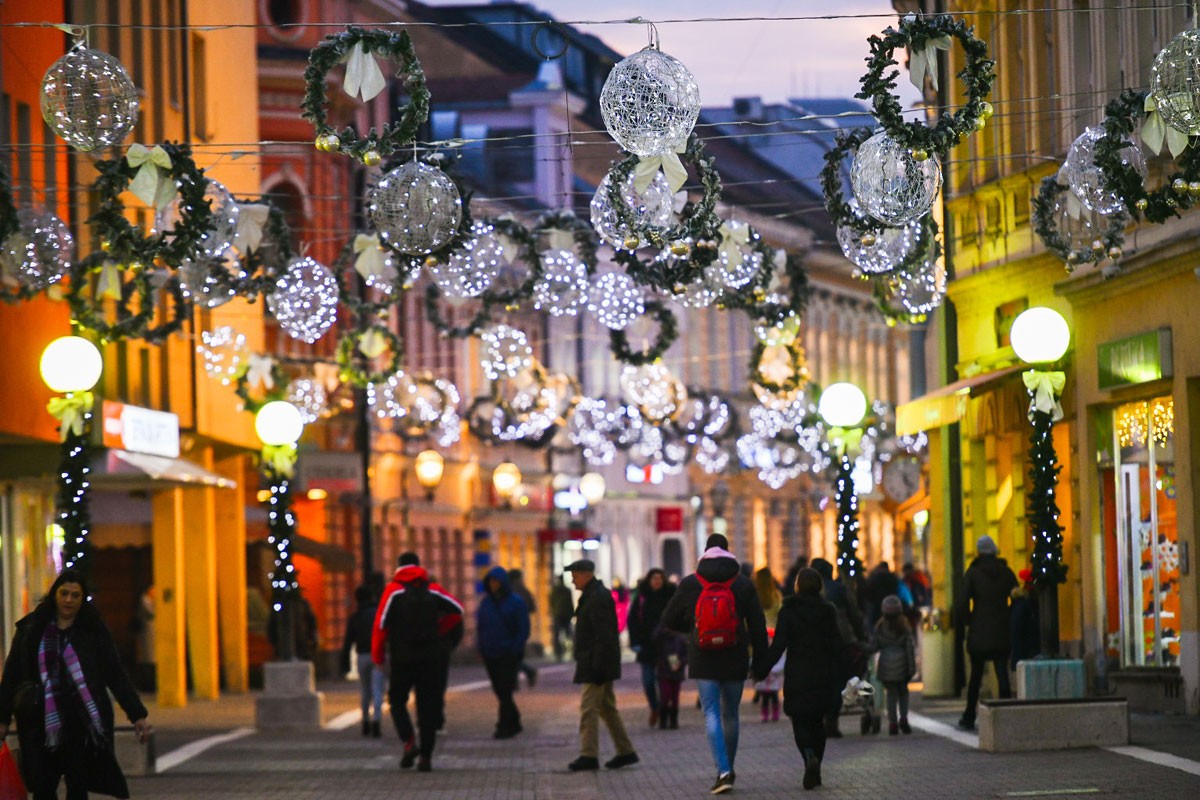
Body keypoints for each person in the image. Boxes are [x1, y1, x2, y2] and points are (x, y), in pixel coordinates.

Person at [0, 568, 152, 800]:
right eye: (64, 593)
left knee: (78, 787)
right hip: (39, 722)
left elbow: (115, 673)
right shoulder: (32, 629)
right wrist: (3, 719)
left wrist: (137, 715)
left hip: (80, 725)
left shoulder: (93, 631)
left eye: (75, 595)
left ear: (83, 599)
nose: (68, 600)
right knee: (42, 788)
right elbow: (12, 675)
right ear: (55, 595)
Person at [660, 533, 768, 795]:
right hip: (735, 655)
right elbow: (757, 625)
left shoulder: (690, 583)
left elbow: (668, 619)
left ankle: (722, 770)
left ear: (705, 552)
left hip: (703, 655)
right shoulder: (742, 583)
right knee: (731, 712)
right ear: (728, 552)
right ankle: (727, 768)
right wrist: (761, 662)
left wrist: (693, 628)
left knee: (710, 712)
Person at [373, 552, 464, 772]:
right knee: (428, 707)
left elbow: (380, 626)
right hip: (430, 658)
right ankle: (426, 757)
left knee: (396, 701)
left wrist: (378, 657)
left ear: (399, 567)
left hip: (403, 659)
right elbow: (458, 610)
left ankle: (409, 742)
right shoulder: (431, 589)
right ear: (419, 566)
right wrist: (439, 629)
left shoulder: (393, 591)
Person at [759, 568, 842, 792]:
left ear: (797, 586)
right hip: (823, 674)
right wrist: (844, 671)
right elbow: (837, 643)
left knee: (800, 722)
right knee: (818, 723)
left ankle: (808, 756)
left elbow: (779, 645)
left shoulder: (789, 611)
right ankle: (818, 769)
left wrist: (761, 668)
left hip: (798, 675)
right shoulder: (828, 611)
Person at [564, 559, 639, 772]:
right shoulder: (593, 595)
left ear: (586, 574)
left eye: (575, 575)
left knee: (589, 709)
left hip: (596, 664)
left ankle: (589, 755)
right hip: (598, 662)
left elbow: (604, 636)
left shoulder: (596, 597)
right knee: (607, 708)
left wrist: (597, 667)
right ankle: (625, 751)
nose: (572, 580)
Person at [957, 535, 1019, 731]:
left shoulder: (973, 573)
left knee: (976, 676)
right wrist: (1008, 616)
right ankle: (1007, 715)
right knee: (1002, 672)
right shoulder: (1006, 572)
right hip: (1002, 628)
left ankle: (969, 716)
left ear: (978, 552)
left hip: (979, 629)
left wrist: (969, 621)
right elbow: (1017, 597)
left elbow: (962, 601)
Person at [810, 557, 867, 739]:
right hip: (840, 642)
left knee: (817, 683)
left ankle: (818, 719)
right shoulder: (840, 589)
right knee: (838, 682)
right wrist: (862, 636)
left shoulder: (807, 592)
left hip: (813, 645)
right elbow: (854, 614)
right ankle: (832, 720)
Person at [477, 566, 530, 739]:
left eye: (496, 582)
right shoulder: (486, 602)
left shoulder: (516, 602)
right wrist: (482, 646)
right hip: (490, 652)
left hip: (508, 652)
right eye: (490, 582)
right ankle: (514, 720)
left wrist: (515, 647)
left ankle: (504, 725)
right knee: (499, 690)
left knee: (505, 689)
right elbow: (481, 626)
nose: (493, 585)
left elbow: (523, 628)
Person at [626, 567, 675, 727]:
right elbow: (632, 620)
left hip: (668, 646)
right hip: (647, 646)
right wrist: (634, 642)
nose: (657, 581)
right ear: (649, 580)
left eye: (659, 578)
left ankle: (666, 710)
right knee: (648, 681)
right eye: (654, 578)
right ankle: (655, 707)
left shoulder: (670, 596)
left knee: (668, 680)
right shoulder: (641, 598)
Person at [341, 585, 385, 737]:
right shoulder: (379, 615)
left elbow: (348, 642)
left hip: (362, 656)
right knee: (378, 689)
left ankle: (365, 722)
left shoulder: (355, 617)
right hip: (378, 655)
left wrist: (344, 664)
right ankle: (376, 722)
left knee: (365, 690)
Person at [873, 594, 916, 735]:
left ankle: (892, 722)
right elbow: (909, 648)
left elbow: (874, 646)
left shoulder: (879, 627)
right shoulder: (905, 627)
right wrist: (911, 668)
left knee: (891, 695)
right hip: (902, 665)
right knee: (903, 692)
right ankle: (903, 718)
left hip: (886, 665)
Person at [506, 568, 538, 688]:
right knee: (515, 655)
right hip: (522, 627)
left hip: (512, 628)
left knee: (512, 656)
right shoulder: (524, 590)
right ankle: (517, 679)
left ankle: (522, 676)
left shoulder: (510, 591)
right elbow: (532, 607)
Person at [654, 624, 688, 730]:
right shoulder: (661, 636)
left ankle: (673, 720)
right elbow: (655, 638)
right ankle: (663, 720)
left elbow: (686, 654)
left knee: (674, 696)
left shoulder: (680, 638)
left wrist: (681, 663)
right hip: (664, 670)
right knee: (665, 695)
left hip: (676, 671)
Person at [1009, 568, 1040, 670]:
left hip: (1024, 655)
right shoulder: (1023, 604)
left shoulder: (1020, 602)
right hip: (1026, 654)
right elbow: (1018, 632)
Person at [549, 576, 574, 662]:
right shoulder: (567, 590)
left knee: (557, 634)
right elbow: (570, 603)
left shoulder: (554, 591)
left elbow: (551, 602)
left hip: (558, 614)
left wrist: (553, 611)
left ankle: (558, 652)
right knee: (568, 634)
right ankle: (570, 651)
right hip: (566, 615)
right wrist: (572, 614)